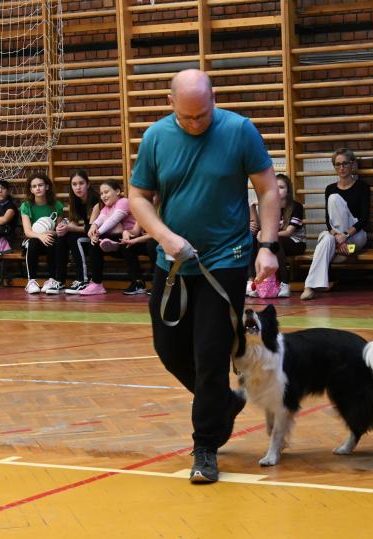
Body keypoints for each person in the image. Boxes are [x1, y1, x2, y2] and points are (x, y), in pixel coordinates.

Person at [129, 69, 279, 484]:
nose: (197, 124)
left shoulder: (240, 130)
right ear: (170, 103)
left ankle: (205, 447)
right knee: (169, 348)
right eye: (188, 117)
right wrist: (163, 235)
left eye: (204, 114)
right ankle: (222, 404)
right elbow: (138, 196)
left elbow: (267, 190)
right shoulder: (156, 138)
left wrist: (267, 246)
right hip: (172, 262)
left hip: (225, 260)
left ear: (214, 98)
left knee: (210, 354)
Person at [300, 148, 371, 301]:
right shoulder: (330, 188)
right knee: (325, 237)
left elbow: (364, 219)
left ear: (352, 165)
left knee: (334, 199)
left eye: (345, 163)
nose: (341, 168)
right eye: (337, 164)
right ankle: (309, 287)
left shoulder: (362, 187)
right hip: (338, 240)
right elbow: (328, 220)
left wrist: (344, 236)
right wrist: (336, 237)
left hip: (356, 236)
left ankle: (312, 282)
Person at [246, 173, 305, 298]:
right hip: (277, 243)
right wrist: (261, 234)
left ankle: (285, 283)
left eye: (282, 187)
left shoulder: (296, 206)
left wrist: (268, 236)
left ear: (288, 191)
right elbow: (265, 228)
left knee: (274, 241)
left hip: (295, 242)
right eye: (275, 187)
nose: (278, 190)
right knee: (255, 239)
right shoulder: (270, 206)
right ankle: (257, 282)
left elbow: (289, 232)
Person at [79, 179, 137, 296]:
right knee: (94, 242)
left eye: (106, 192)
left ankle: (136, 282)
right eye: (101, 194)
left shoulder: (124, 201)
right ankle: (97, 283)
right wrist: (93, 228)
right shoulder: (106, 208)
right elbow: (99, 220)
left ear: (117, 191)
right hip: (118, 240)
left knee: (116, 228)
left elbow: (113, 220)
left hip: (132, 239)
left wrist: (98, 233)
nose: (103, 196)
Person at [52, 169, 100, 295]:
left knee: (75, 238)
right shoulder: (75, 200)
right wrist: (62, 228)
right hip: (88, 234)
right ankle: (60, 280)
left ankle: (82, 280)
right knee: (62, 237)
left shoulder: (96, 200)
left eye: (81, 183)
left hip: (98, 235)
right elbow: (73, 222)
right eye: (74, 184)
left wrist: (70, 228)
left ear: (88, 184)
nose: (78, 187)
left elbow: (91, 229)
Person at [20, 172, 64, 294]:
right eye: (34, 186)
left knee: (51, 239)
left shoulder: (56, 205)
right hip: (34, 240)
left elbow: (59, 230)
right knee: (32, 242)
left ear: (47, 187)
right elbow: (28, 231)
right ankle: (31, 281)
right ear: (31, 190)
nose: (37, 188)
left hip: (50, 240)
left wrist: (51, 233)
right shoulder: (26, 206)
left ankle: (52, 279)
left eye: (40, 185)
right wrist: (41, 235)